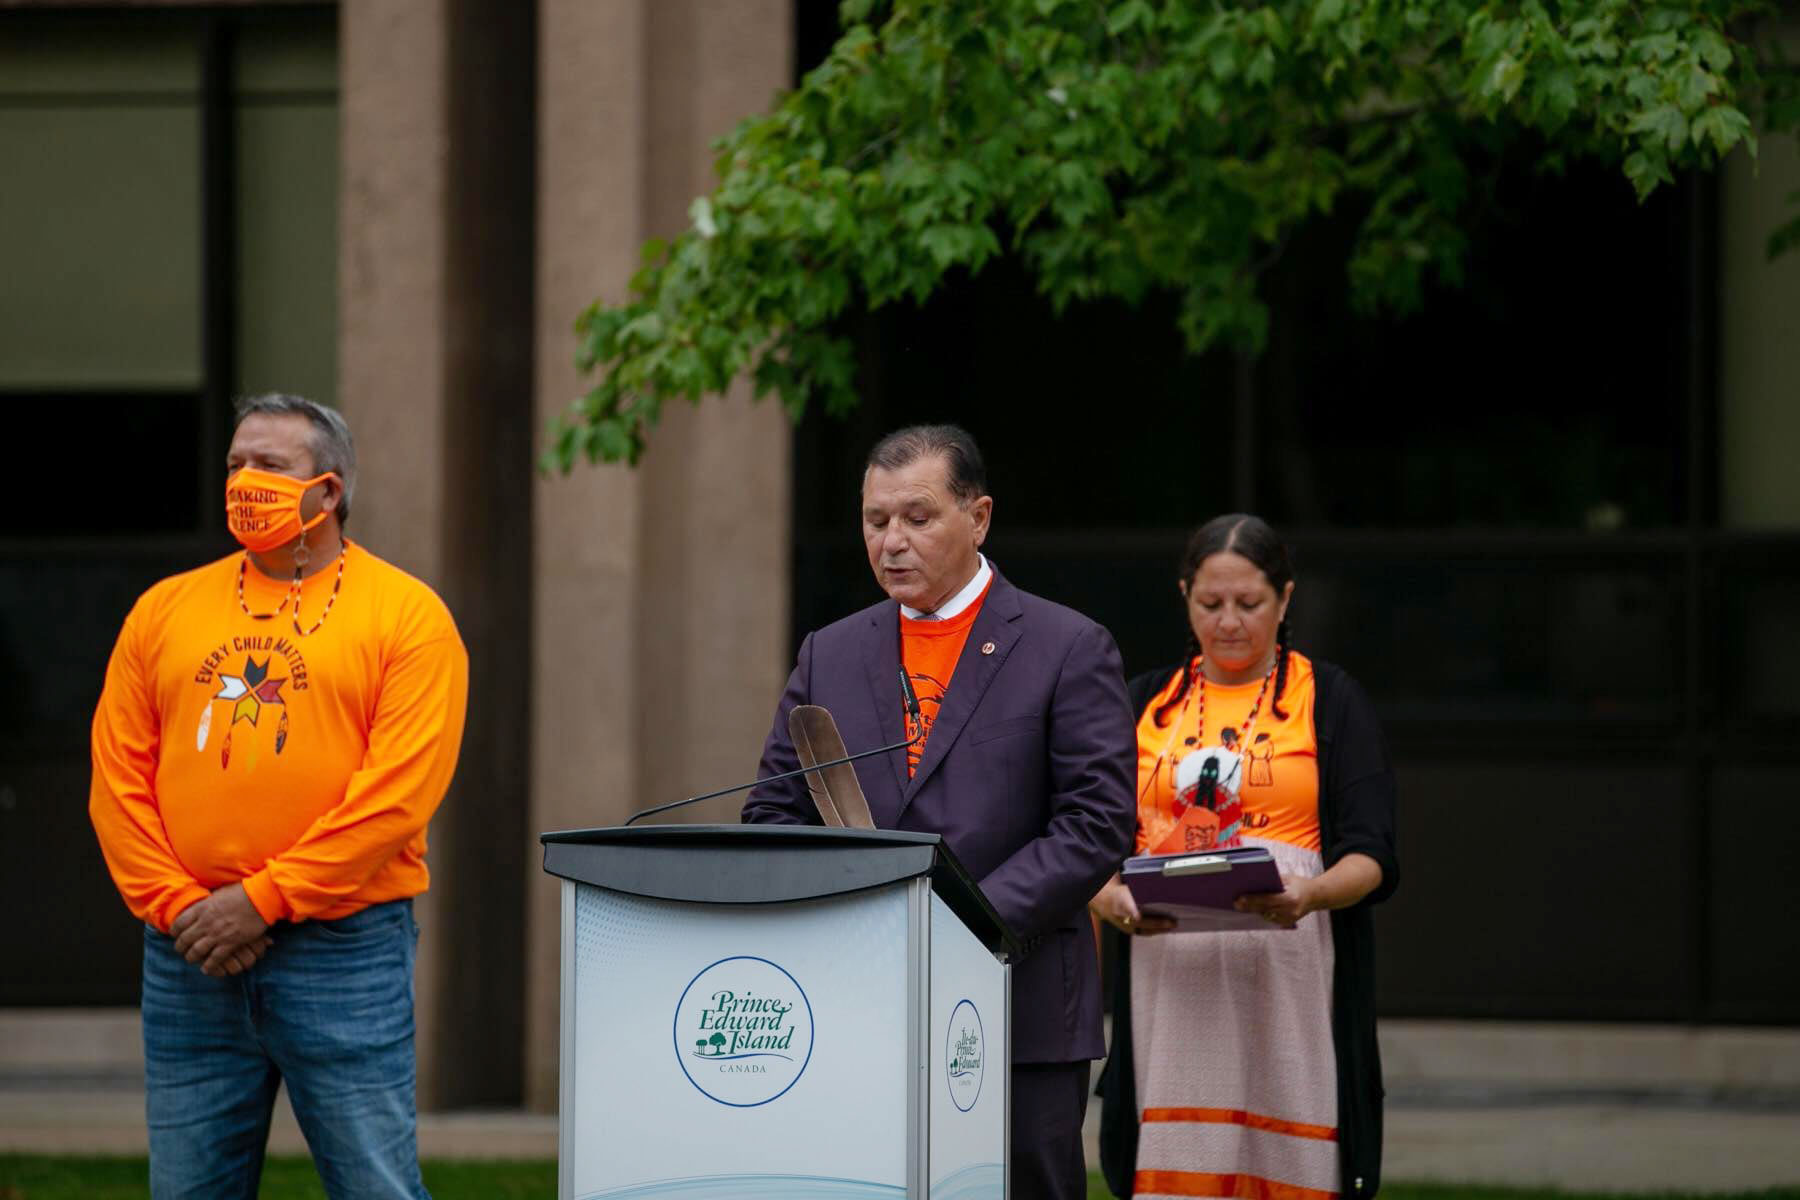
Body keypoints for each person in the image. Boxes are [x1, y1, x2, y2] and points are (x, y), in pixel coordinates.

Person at [89, 394, 469, 1200]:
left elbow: (395, 800)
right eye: (235, 464)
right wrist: (180, 907)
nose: (245, 481)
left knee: (376, 1186)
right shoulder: (163, 610)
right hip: (188, 950)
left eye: (269, 466)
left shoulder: (408, 618)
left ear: (329, 492)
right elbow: (117, 780)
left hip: (344, 951)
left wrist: (261, 901)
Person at [743, 424, 1136, 1199]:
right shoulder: (832, 651)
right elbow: (774, 811)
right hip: (863, 999)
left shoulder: (1067, 645)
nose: (892, 541)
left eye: (917, 518)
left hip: (1017, 1005)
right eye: (875, 520)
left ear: (979, 517)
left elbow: (1096, 823)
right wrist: (846, 908)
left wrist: (961, 919)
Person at [1089, 514, 1399, 1200]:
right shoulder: (1143, 704)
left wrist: (1311, 894)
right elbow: (1089, 844)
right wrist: (1107, 896)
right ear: (1185, 597)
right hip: (1170, 988)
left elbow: (1373, 856)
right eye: (1210, 604)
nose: (1229, 622)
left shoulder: (1330, 701)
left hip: (1292, 976)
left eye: (1250, 604)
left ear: (1286, 600)